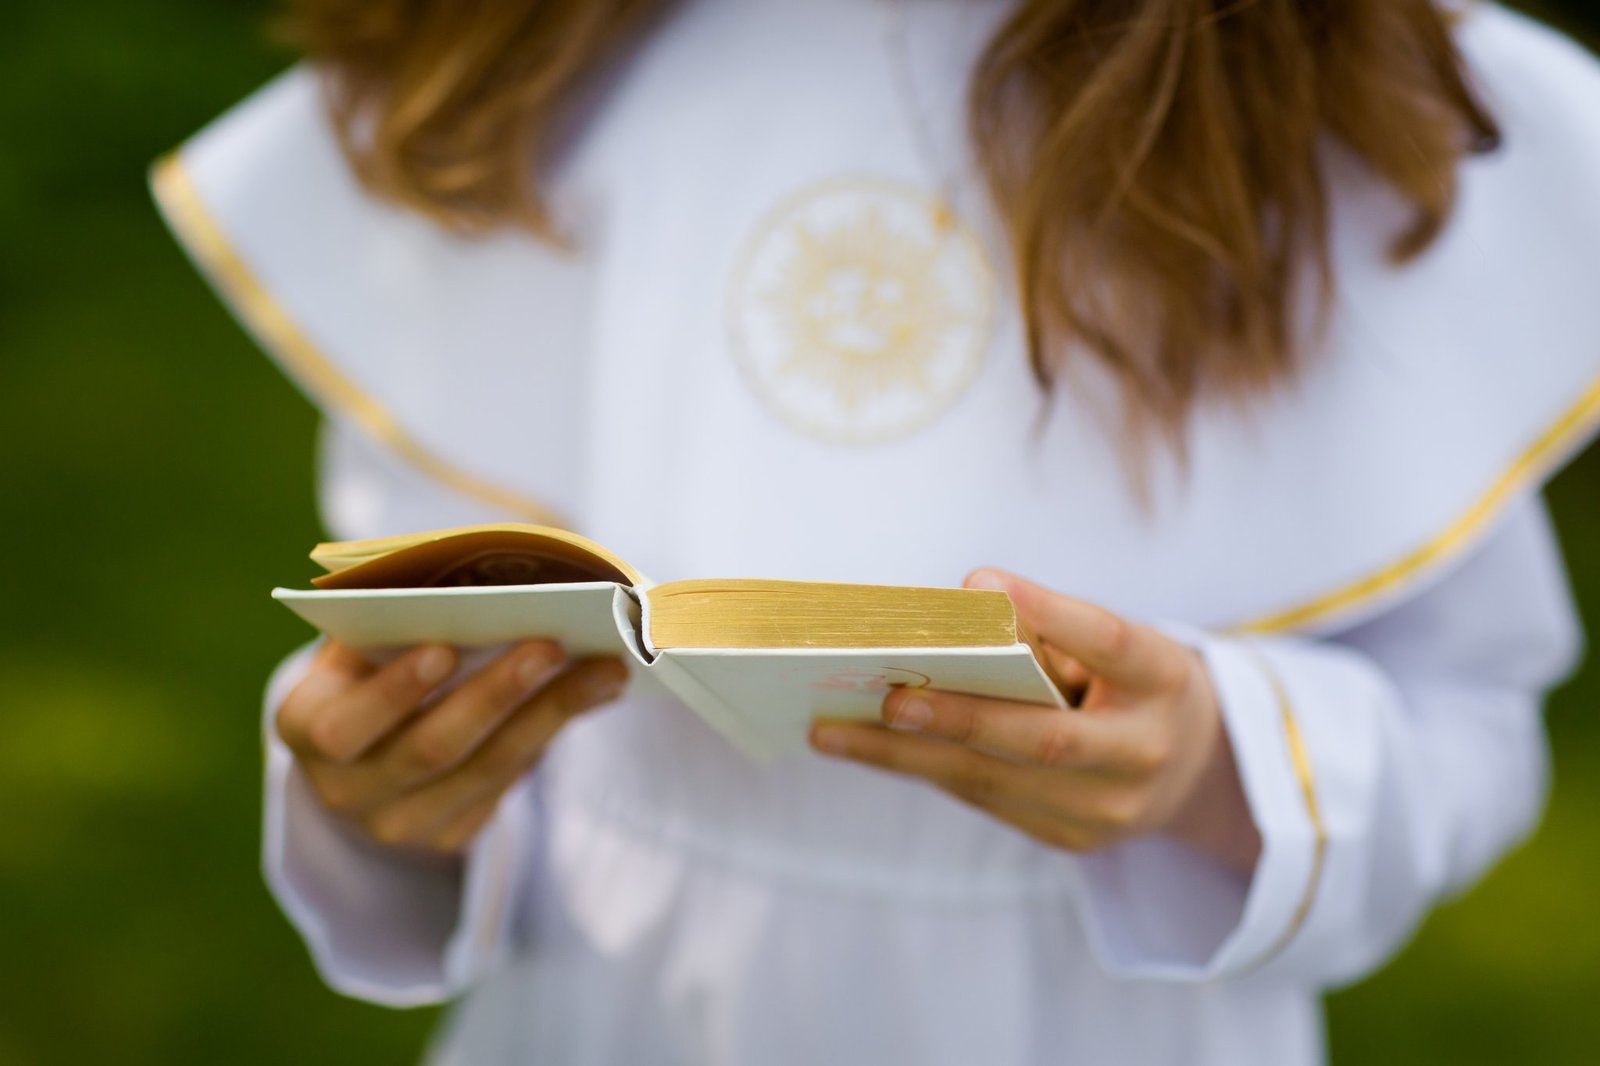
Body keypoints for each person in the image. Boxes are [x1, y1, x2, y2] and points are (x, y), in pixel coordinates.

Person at [153, 1, 1600, 1062]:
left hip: (1108, 1026)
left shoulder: (1357, 92)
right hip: (613, 1004)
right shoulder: (529, 57)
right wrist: (391, 798)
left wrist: (1212, 765)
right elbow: (425, 599)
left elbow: (1466, 720)